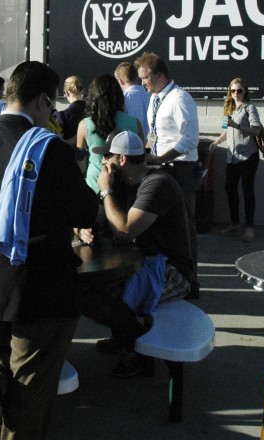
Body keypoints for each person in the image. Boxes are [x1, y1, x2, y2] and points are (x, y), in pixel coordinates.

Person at [0, 61, 98, 440]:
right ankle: (7, 420)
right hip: (38, 289)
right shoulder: (50, 151)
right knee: (30, 384)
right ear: (43, 101)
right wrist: (103, 186)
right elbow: (85, 212)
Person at [79, 130, 196, 378]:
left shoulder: (157, 184)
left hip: (172, 271)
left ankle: (136, 347)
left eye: (107, 156)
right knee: (88, 289)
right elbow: (98, 217)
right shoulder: (124, 182)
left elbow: (124, 228)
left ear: (122, 160)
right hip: (145, 264)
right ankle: (125, 337)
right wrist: (81, 229)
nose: (103, 163)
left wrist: (106, 191)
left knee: (99, 296)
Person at [135, 52, 202, 274]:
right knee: (162, 224)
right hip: (160, 166)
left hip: (181, 168)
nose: (142, 83)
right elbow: (155, 134)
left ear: (159, 75)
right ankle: (165, 272)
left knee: (184, 224)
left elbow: (191, 139)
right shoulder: (155, 98)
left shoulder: (180, 98)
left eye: (145, 78)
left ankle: (190, 277)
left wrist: (162, 158)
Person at [209, 78, 263, 243]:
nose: (236, 94)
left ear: (245, 92)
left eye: (239, 91)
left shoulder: (249, 108)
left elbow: (256, 130)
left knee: (247, 191)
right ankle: (234, 223)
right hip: (232, 156)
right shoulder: (229, 108)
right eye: (233, 91)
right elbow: (227, 131)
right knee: (230, 189)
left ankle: (250, 227)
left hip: (248, 155)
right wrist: (216, 142)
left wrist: (237, 125)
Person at [77, 75, 143, 194]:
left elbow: (80, 162)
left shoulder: (84, 125)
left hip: (94, 187)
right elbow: (140, 157)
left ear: (93, 98)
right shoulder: (134, 122)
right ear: (118, 96)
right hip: (126, 187)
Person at [115, 61, 151, 140]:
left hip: (132, 145)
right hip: (151, 146)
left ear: (120, 81)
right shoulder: (151, 95)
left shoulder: (124, 99)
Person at [55, 76, 86, 141]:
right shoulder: (92, 112)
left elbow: (59, 142)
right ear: (83, 91)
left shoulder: (63, 116)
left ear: (66, 92)